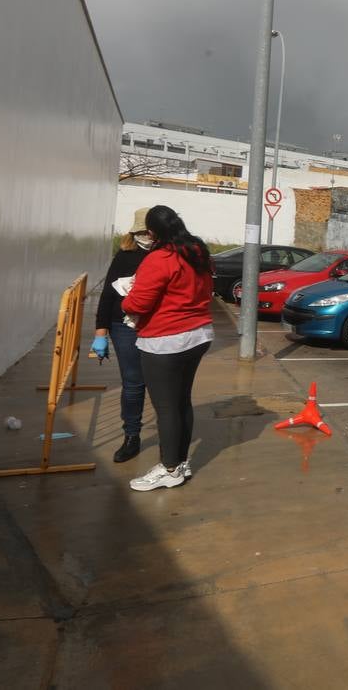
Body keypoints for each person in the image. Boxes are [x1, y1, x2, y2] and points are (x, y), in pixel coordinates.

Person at [121, 205, 214, 492]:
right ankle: (180, 462)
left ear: (151, 233)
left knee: (166, 408)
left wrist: (127, 297)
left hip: (165, 341)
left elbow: (137, 304)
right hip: (198, 335)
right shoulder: (197, 251)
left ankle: (169, 468)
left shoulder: (159, 259)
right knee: (181, 402)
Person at [91, 208, 152, 463]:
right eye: (141, 232)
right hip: (123, 326)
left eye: (149, 232)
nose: (146, 236)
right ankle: (131, 435)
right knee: (133, 382)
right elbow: (107, 294)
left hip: (156, 324)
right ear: (134, 232)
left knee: (160, 383)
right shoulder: (126, 255)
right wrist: (100, 332)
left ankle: (172, 437)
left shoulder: (167, 255)